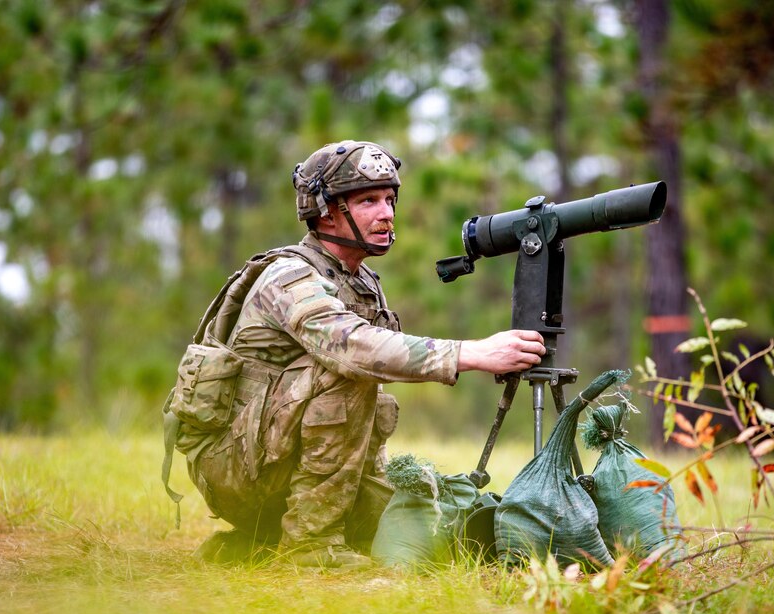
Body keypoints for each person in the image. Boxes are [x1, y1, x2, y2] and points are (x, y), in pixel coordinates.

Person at [182, 140, 545, 570]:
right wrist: (470, 353)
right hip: (235, 469)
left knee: (435, 532)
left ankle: (251, 546)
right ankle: (309, 550)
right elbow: (353, 348)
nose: (387, 212)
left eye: (390, 199)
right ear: (325, 211)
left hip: (283, 465)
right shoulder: (288, 276)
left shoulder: (361, 281)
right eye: (369, 200)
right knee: (348, 370)